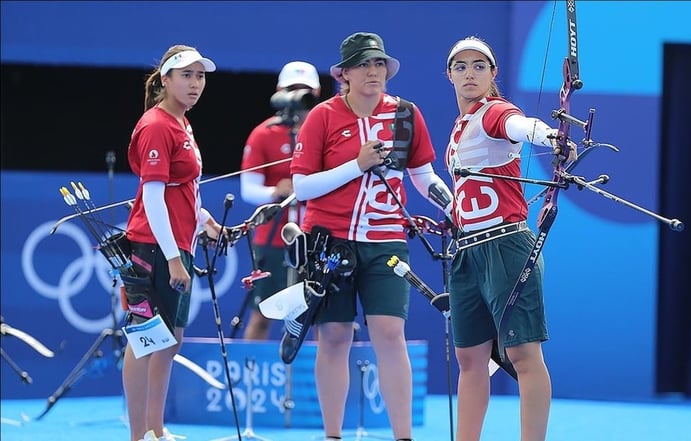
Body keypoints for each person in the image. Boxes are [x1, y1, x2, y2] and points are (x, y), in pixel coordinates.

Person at [291, 32, 453, 441]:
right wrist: (357, 165)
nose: (373, 71)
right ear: (344, 74)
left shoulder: (406, 115)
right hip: (329, 244)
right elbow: (302, 186)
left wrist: (457, 211)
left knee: (390, 334)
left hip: (386, 243)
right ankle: (332, 435)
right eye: (363, 65)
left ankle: (403, 436)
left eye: (379, 63)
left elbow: (423, 176)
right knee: (333, 336)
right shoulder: (322, 116)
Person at [444, 36, 575, 441]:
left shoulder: (494, 111)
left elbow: (519, 125)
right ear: (449, 75)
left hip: (506, 247)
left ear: (493, 74)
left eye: (479, 66)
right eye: (461, 66)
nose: (470, 73)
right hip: (467, 251)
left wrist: (552, 138)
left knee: (522, 354)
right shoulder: (460, 126)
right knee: (470, 359)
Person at [123, 44, 224, 441]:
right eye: (186, 75)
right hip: (153, 248)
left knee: (171, 340)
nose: (195, 83)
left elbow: (180, 189)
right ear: (165, 79)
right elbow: (151, 196)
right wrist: (173, 259)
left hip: (178, 244)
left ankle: (156, 430)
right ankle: (137, 436)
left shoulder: (183, 123)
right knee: (146, 338)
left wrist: (203, 220)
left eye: (200, 76)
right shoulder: (157, 124)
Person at [238, 61, 321, 340]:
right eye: (292, 90)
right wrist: (275, 191)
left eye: (305, 91)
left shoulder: (327, 131)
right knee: (262, 316)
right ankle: (249, 383)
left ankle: (325, 384)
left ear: (317, 92)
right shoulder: (264, 133)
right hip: (273, 240)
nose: (298, 98)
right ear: (279, 93)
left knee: (325, 320)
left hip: (316, 235)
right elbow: (248, 189)